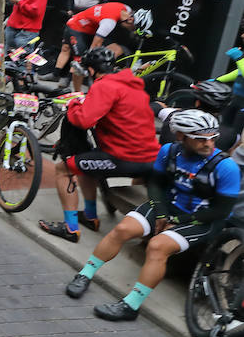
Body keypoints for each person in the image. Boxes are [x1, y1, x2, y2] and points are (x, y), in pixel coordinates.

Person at [64, 109, 239, 321]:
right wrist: (161, 212)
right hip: (169, 206)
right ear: (181, 136)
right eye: (200, 139)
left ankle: (131, 306)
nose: (209, 144)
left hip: (203, 219)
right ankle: (85, 274)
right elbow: (155, 183)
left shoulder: (226, 167)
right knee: (122, 229)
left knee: (157, 246)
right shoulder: (169, 151)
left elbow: (221, 211)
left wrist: (176, 221)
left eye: (213, 138)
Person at [39, 45, 161, 243]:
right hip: (149, 159)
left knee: (63, 169)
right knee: (87, 164)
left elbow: (84, 120)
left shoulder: (103, 85)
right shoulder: (133, 85)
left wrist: (74, 105)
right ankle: (90, 216)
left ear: (92, 70)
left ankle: (70, 229)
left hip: (124, 158)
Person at [44, 2, 146, 90]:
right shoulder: (109, 22)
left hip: (90, 28)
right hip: (76, 27)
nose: (131, 31)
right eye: (133, 28)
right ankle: (76, 94)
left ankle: (64, 77)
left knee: (114, 48)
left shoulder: (126, 9)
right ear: (130, 20)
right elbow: (95, 45)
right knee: (81, 61)